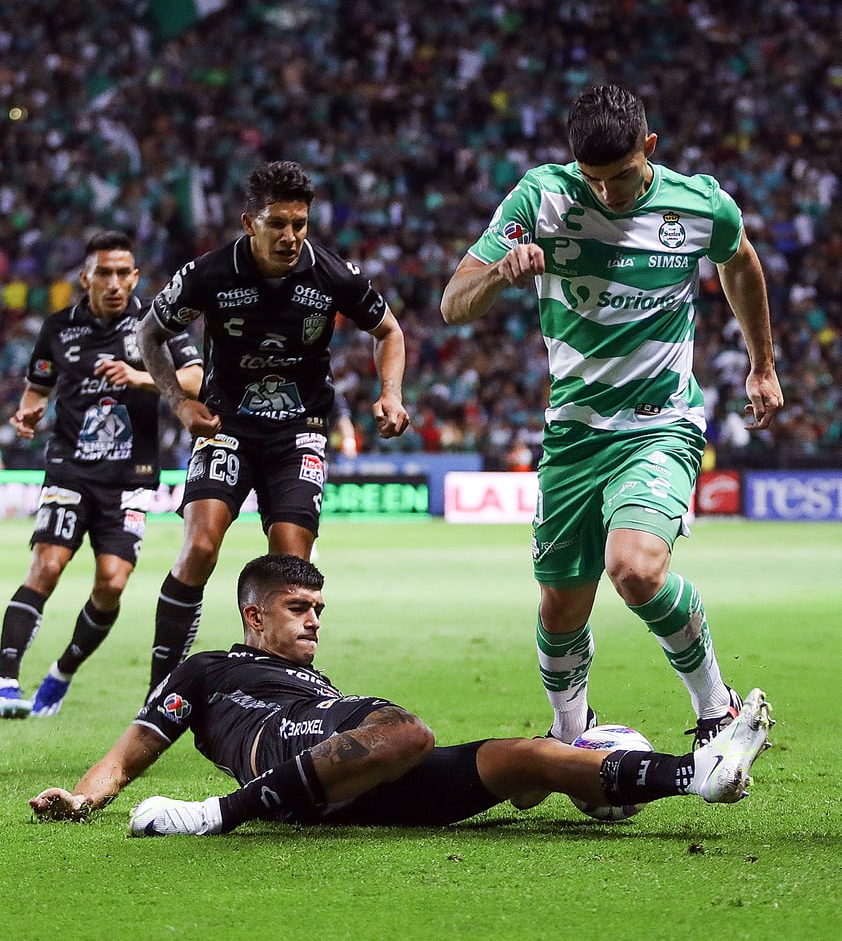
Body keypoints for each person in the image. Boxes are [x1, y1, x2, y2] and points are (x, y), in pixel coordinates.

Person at [440, 84, 784, 747]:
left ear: (649, 148)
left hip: (660, 423)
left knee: (635, 567)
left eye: (622, 177)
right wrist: (498, 274)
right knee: (561, 603)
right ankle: (571, 736)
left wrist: (761, 363)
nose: (608, 195)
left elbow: (740, 263)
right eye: (594, 181)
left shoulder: (699, 203)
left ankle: (719, 711)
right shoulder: (540, 198)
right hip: (573, 435)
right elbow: (454, 303)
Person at [29, 552, 773, 836]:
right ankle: (214, 817)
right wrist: (87, 797)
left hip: (352, 774)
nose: (315, 619)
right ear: (254, 615)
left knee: (525, 759)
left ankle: (696, 775)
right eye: (299, 609)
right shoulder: (207, 670)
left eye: (319, 609)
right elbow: (128, 754)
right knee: (408, 731)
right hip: (291, 744)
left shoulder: (315, 679)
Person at [136, 161, 410, 692]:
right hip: (226, 426)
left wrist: (391, 393)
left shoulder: (333, 275)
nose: (290, 237)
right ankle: (160, 693)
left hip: (299, 432)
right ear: (248, 222)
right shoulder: (208, 274)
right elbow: (150, 333)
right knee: (198, 548)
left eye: (299, 224)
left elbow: (389, 331)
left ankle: (282, 694)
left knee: (289, 574)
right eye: (277, 223)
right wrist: (178, 402)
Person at [0, 232, 203, 720]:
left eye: (123, 273)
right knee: (47, 565)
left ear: (135, 277)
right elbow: (38, 388)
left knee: (111, 583)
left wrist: (137, 376)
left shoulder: (157, 322)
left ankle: (64, 669)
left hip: (131, 476)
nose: (114, 283)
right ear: (86, 277)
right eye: (104, 273)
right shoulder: (57, 328)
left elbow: (195, 380)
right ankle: (5, 680)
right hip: (70, 469)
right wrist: (28, 414)